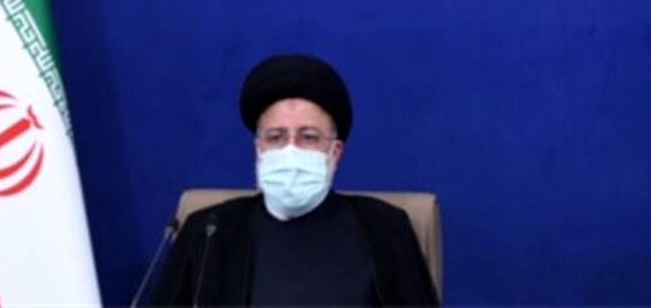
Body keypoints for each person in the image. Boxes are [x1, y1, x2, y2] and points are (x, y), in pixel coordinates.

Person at [150, 53, 439, 306]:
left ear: (335, 152)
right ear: (259, 150)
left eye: (308, 137)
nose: (291, 150)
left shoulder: (385, 228)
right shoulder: (209, 231)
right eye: (276, 137)